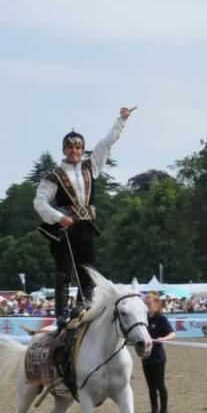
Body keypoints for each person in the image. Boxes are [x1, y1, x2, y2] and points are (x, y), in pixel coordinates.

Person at [34, 106, 136, 330]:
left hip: (86, 226)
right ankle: (61, 314)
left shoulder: (91, 167)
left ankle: (83, 307)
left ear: (83, 149)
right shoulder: (54, 175)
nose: (75, 151)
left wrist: (122, 119)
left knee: (89, 270)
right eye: (70, 147)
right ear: (64, 149)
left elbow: (106, 143)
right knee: (64, 271)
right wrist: (58, 217)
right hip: (64, 227)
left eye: (78, 147)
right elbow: (39, 202)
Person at [143, 292, 175, 413]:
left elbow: (172, 333)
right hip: (146, 357)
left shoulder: (161, 319)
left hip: (158, 358)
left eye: (149, 303)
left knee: (159, 385)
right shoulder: (143, 319)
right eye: (145, 304)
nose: (147, 306)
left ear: (156, 304)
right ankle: (153, 411)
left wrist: (164, 338)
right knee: (150, 387)